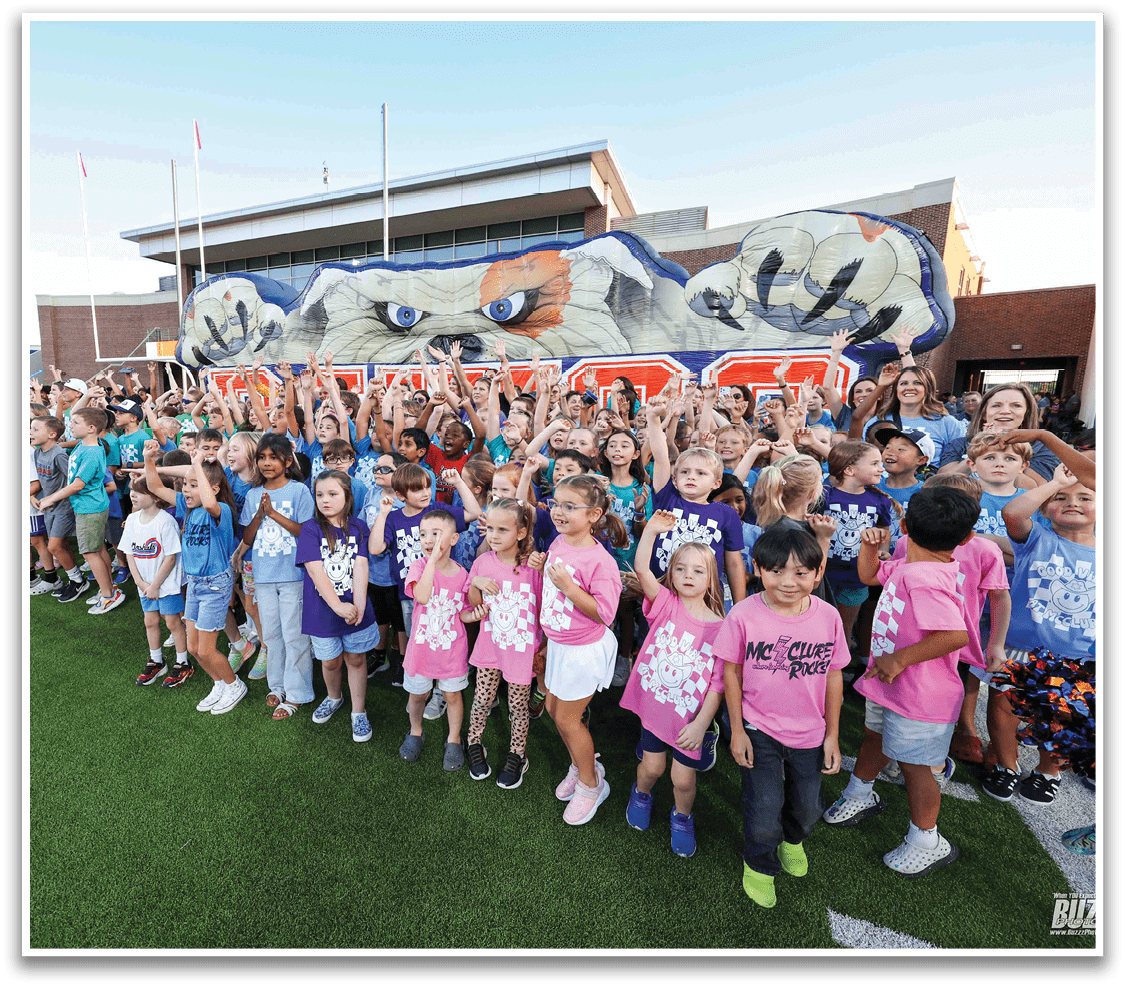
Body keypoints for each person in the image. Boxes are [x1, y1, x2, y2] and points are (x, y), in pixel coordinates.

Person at [822, 487, 976, 878]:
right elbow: (870, 575)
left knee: (916, 767)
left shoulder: (924, 577)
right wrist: (870, 547)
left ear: (904, 525)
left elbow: (954, 635)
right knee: (874, 736)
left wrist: (899, 658)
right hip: (893, 684)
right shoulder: (913, 564)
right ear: (967, 538)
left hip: (920, 695)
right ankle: (860, 793)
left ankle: (927, 840)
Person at [717, 525, 849, 907]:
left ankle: (793, 839)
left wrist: (832, 736)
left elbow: (834, 674)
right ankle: (759, 864)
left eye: (801, 573)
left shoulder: (828, 617)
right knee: (763, 808)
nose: (788, 582)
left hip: (811, 733)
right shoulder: (743, 615)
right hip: (759, 729)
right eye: (776, 571)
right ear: (758, 569)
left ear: (818, 573)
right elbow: (732, 671)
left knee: (808, 809)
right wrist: (737, 731)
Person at [980, 461, 1095, 804]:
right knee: (1004, 707)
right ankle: (1006, 765)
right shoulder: (1037, 540)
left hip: (1079, 655)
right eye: (1061, 498)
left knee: (1062, 715)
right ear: (1046, 509)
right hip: (1021, 646)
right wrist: (1054, 483)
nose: (1072, 502)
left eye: (1085, 497)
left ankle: (1049, 771)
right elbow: (1014, 513)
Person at [620, 510, 727, 858]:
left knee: (683, 780)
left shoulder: (722, 629)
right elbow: (641, 569)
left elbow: (716, 686)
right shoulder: (665, 604)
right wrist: (650, 531)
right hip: (655, 710)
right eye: (680, 568)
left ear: (712, 579)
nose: (688, 575)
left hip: (688, 723)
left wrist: (700, 724)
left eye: (698, 570)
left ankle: (682, 817)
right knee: (652, 768)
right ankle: (642, 794)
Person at [537, 474, 626, 826]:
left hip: (582, 649)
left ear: (594, 514)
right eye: (556, 503)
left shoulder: (601, 561)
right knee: (553, 707)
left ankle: (591, 785)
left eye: (569, 506)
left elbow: (605, 613)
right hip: (559, 644)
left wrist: (570, 589)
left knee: (566, 718)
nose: (558, 512)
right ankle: (581, 762)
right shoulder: (560, 542)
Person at [368, 463, 483, 719]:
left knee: (446, 640)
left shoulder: (437, 510)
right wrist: (383, 513)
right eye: (417, 489)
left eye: (427, 486)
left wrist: (458, 484)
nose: (425, 492)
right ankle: (421, 690)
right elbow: (375, 548)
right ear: (400, 495)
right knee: (420, 642)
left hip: (447, 593)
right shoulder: (395, 518)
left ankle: (442, 693)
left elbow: (473, 512)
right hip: (412, 596)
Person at [142, 441, 244, 713]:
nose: (186, 489)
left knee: (208, 650)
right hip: (196, 585)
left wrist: (198, 463)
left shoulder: (220, 511)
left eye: (193, 484)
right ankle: (219, 683)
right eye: (185, 484)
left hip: (215, 586)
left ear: (213, 490)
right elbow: (154, 487)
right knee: (194, 648)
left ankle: (234, 685)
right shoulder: (187, 507)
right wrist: (149, 459)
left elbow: (210, 502)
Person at [461, 498, 544, 787]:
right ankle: (473, 742)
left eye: (502, 530)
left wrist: (541, 647)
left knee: (518, 707)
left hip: (521, 653)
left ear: (521, 533)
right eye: (490, 529)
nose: (493, 536)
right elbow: (473, 605)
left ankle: (517, 754)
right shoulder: (483, 561)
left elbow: (544, 608)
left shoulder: (534, 566)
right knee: (482, 700)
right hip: (490, 647)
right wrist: (477, 584)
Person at [233, 433, 316, 720]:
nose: (266, 463)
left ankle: (297, 694)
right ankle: (277, 685)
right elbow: (247, 535)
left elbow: (306, 533)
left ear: (287, 461)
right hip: (265, 576)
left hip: (293, 574)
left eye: (273, 457)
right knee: (271, 635)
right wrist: (259, 514)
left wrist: (273, 514)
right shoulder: (253, 494)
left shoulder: (299, 491)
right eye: (261, 457)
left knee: (295, 635)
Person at [299, 470, 380, 742]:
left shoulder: (358, 527)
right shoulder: (311, 529)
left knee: (356, 659)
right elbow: (315, 571)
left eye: (333, 494)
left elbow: (361, 564)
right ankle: (334, 697)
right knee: (330, 662)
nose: (325, 500)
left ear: (347, 496)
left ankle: (359, 711)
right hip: (323, 612)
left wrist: (356, 605)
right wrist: (337, 607)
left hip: (354, 608)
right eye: (320, 494)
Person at [398, 509, 479, 769]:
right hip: (421, 650)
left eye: (436, 533)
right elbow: (421, 596)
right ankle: (415, 731)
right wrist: (431, 562)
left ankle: (454, 739)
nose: (428, 540)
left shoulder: (463, 575)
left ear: (454, 539)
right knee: (417, 695)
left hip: (451, 651)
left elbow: (463, 615)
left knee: (453, 696)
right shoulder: (419, 566)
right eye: (423, 534)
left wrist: (477, 614)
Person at [645, 403, 747, 610]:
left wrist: (739, 608)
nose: (691, 476)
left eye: (701, 473)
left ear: (716, 483)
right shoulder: (667, 499)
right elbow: (662, 458)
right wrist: (653, 420)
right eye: (685, 472)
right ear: (674, 479)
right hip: (663, 594)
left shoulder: (726, 514)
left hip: (706, 600)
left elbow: (735, 564)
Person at [32, 407, 125, 614]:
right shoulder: (86, 443)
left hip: (89, 508)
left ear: (91, 428)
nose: (70, 426)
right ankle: (108, 589)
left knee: (90, 552)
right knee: (99, 549)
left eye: (75, 423)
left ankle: (109, 596)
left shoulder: (92, 453)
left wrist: (50, 498)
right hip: (89, 506)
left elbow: (77, 485)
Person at [823, 441, 893, 653]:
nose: (882, 468)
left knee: (845, 627)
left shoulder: (879, 500)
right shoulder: (824, 495)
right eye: (874, 463)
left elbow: (883, 529)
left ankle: (841, 669)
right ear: (849, 469)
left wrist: (882, 549)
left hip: (857, 577)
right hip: (826, 575)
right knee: (823, 625)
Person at [122, 475, 191, 688]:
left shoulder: (165, 521)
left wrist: (154, 585)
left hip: (166, 585)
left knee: (173, 623)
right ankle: (156, 660)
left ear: (155, 496)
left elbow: (171, 557)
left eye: (139, 491)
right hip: (145, 585)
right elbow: (129, 553)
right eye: (132, 489)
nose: (132, 494)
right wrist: (141, 584)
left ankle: (183, 663)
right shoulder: (132, 520)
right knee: (150, 621)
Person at [935, 383, 1059, 486]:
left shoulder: (1042, 448)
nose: (1005, 411)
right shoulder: (960, 444)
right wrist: (982, 447)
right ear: (984, 413)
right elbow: (941, 484)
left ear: (1026, 414)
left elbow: (1035, 489)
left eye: (1016, 405)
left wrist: (1004, 449)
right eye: (996, 405)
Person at [863, 365, 966, 464]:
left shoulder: (948, 423)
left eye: (917, 383)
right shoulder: (878, 421)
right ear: (896, 389)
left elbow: (957, 463)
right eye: (903, 383)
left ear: (928, 388)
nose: (909, 388)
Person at [30, 416, 84, 601]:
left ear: (52, 434)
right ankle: (75, 579)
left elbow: (72, 481)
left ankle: (78, 582)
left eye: (36, 429)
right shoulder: (38, 452)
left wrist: (53, 498)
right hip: (49, 508)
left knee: (53, 546)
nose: (30, 433)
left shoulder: (59, 454)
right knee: (62, 545)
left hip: (63, 507)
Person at [874, 427, 934, 551]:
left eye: (901, 449)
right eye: (887, 447)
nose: (890, 452)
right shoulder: (871, 486)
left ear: (922, 460)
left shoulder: (926, 493)